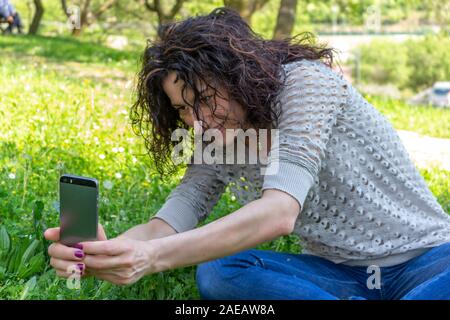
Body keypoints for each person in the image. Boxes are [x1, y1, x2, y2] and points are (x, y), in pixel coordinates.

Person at [44, 7, 450, 300]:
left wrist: (149, 258)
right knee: (221, 272)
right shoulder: (217, 135)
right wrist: (107, 252)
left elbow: (279, 213)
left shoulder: (305, 85)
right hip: (340, 277)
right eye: (184, 109)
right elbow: (174, 217)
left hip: (431, 262)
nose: (198, 121)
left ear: (238, 75)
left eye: (204, 98)